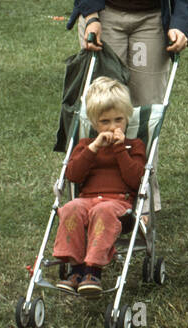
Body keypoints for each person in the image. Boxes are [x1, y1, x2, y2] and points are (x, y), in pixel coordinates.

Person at [53, 76, 146, 296]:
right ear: (95, 124)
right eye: (105, 122)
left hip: (118, 202)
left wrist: (120, 149)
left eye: (118, 120)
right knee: (70, 208)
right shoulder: (86, 146)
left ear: (127, 119)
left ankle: (93, 270)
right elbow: (74, 175)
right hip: (87, 199)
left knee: (102, 210)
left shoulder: (134, 146)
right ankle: (75, 269)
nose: (113, 127)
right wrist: (93, 148)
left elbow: (136, 179)